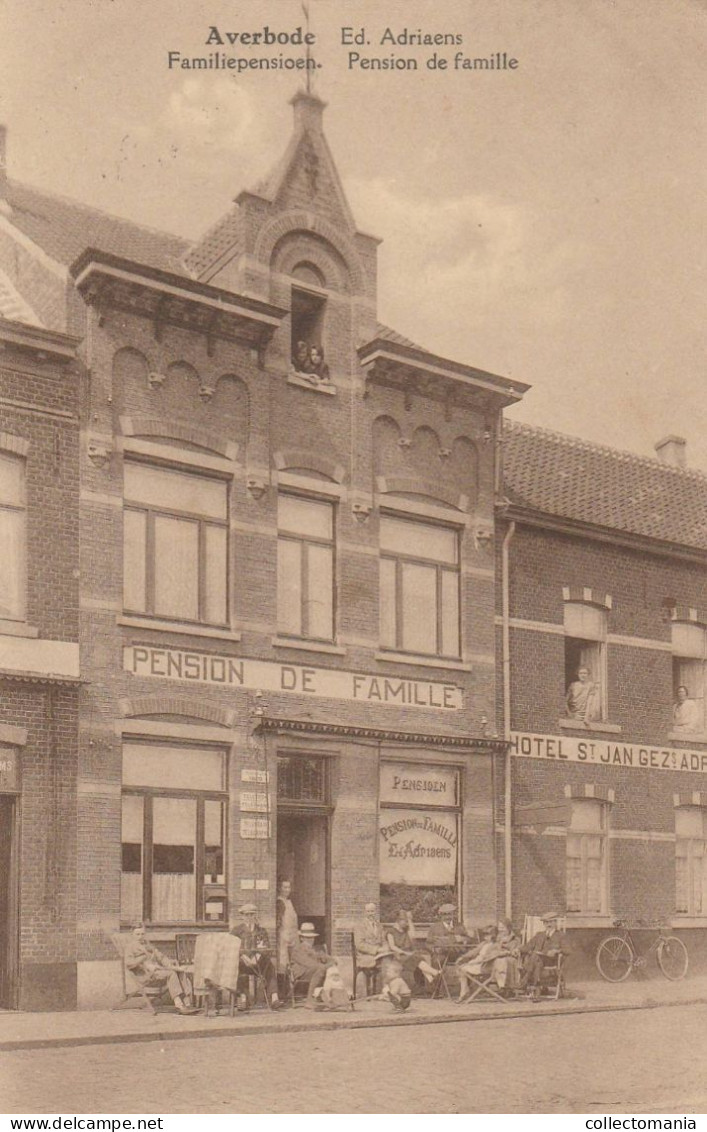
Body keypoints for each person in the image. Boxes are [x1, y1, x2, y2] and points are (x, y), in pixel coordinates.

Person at [123, 925, 197, 1014]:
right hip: (145, 974)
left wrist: (170, 965)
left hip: (157, 971)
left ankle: (187, 1003)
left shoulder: (148, 945)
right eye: (137, 934)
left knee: (180, 972)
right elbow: (129, 963)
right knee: (171, 974)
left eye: (142, 934)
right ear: (132, 935)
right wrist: (141, 959)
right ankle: (179, 1005)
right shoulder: (130, 947)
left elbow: (161, 957)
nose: (140, 936)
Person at [229, 903, 282, 1009]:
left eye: (252, 915)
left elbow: (266, 947)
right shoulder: (236, 931)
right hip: (243, 962)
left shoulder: (261, 931)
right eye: (247, 915)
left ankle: (274, 998)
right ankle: (243, 999)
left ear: (255, 916)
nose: (249, 917)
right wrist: (244, 957)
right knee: (236, 967)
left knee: (270, 966)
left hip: (257, 963)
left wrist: (256, 957)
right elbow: (231, 947)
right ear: (242, 916)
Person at [289, 922, 338, 1008]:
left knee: (327, 969)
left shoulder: (314, 949)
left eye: (312, 937)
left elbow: (329, 958)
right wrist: (328, 965)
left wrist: (331, 961)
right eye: (307, 938)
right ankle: (309, 1000)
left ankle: (334, 996)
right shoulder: (297, 950)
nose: (310, 940)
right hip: (301, 974)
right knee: (321, 969)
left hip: (314, 972)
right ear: (301, 938)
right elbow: (311, 965)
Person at [519, 911, 569, 997]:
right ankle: (536, 987)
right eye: (546, 922)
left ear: (555, 922)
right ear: (544, 924)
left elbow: (568, 950)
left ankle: (525, 981)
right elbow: (528, 946)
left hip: (551, 960)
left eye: (551, 922)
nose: (548, 924)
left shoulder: (561, 935)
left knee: (535, 957)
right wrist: (517, 949)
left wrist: (556, 951)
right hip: (537, 961)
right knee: (537, 959)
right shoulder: (539, 935)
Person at [385, 909, 438, 987]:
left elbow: (413, 936)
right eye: (404, 921)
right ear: (398, 920)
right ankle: (434, 974)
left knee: (418, 957)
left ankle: (432, 979)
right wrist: (405, 952)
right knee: (416, 958)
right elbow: (392, 947)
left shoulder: (405, 930)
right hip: (397, 955)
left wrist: (410, 920)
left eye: (406, 921)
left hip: (408, 955)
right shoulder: (390, 931)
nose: (406, 923)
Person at [455, 924, 502, 1003]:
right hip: (478, 962)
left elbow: (490, 957)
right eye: (485, 935)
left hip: (485, 965)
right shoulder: (484, 943)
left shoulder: (496, 945)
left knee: (462, 969)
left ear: (493, 936)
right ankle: (465, 990)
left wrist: (477, 961)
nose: (485, 937)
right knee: (460, 967)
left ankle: (464, 991)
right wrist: (463, 957)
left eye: (487, 935)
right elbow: (474, 952)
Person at [354, 902, 391, 979]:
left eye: (372, 911)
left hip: (379, 954)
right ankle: (379, 987)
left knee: (391, 960)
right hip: (365, 956)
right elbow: (359, 945)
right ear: (364, 912)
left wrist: (386, 947)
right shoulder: (359, 926)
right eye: (368, 911)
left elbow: (383, 940)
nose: (370, 914)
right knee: (383, 963)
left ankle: (387, 986)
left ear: (375, 912)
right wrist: (377, 949)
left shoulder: (379, 925)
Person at [491, 917, 522, 991]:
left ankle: (503, 986)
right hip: (497, 957)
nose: (500, 929)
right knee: (496, 961)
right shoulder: (496, 938)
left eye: (502, 927)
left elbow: (516, 952)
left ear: (508, 928)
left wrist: (506, 951)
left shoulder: (515, 939)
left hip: (510, 959)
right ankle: (499, 984)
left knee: (502, 961)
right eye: (499, 927)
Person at [276, 879, 299, 973]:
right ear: (279, 888)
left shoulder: (289, 902)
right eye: (284, 887)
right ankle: (283, 985)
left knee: (294, 960)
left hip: (293, 935)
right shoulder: (279, 902)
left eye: (288, 887)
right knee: (283, 960)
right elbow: (278, 921)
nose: (287, 890)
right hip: (283, 935)